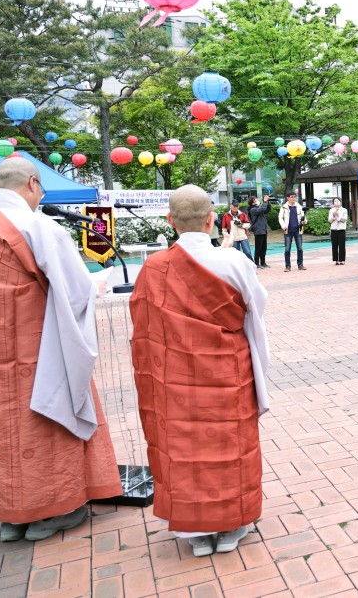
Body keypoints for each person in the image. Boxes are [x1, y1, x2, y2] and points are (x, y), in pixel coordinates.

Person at [0, 157, 121, 542]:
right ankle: (57, 508)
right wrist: (95, 286)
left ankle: (10, 515)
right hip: (38, 348)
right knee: (46, 419)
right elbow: (75, 289)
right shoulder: (37, 225)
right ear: (31, 183)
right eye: (40, 188)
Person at [130, 185, 268, 557]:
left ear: (170, 221)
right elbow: (257, 309)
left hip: (174, 381)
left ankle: (196, 532)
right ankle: (231, 527)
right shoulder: (235, 262)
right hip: (227, 376)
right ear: (211, 220)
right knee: (231, 447)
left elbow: (143, 328)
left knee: (184, 448)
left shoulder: (154, 268)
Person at [278, 192, 306, 272]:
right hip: (288, 230)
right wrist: (283, 226)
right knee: (287, 249)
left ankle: (300, 265)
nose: (293, 198)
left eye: (294, 197)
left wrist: (304, 222)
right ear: (288, 198)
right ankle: (287, 266)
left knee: (300, 248)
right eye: (292, 197)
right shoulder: (284, 207)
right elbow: (280, 218)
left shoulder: (299, 207)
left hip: (298, 230)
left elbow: (304, 217)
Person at [247, 195, 270, 269]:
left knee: (264, 247)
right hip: (258, 230)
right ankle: (256, 263)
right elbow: (262, 209)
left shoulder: (258, 208)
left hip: (263, 230)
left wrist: (267, 202)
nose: (257, 200)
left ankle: (263, 262)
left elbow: (266, 209)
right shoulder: (252, 209)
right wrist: (265, 201)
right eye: (255, 199)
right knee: (258, 248)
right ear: (252, 202)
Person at [328, 198, 348, 265]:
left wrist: (338, 216)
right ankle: (336, 260)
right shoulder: (331, 210)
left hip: (341, 229)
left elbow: (344, 219)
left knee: (342, 245)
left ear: (340, 202)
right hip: (333, 229)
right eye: (335, 201)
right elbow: (329, 220)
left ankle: (342, 260)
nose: (336, 202)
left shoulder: (344, 210)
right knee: (334, 245)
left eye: (337, 201)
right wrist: (333, 216)